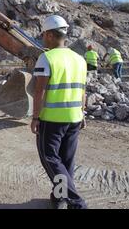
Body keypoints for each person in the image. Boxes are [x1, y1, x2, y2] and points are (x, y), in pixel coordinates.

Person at [31, 15, 88, 209]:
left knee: (50, 158)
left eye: (43, 35)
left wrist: (35, 117)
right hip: (74, 118)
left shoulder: (46, 57)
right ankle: (59, 197)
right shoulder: (79, 59)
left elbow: (40, 91)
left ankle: (77, 202)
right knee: (66, 161)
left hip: (52, 119)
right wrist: (83, 113)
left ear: (48, 35)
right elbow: (82, 90)